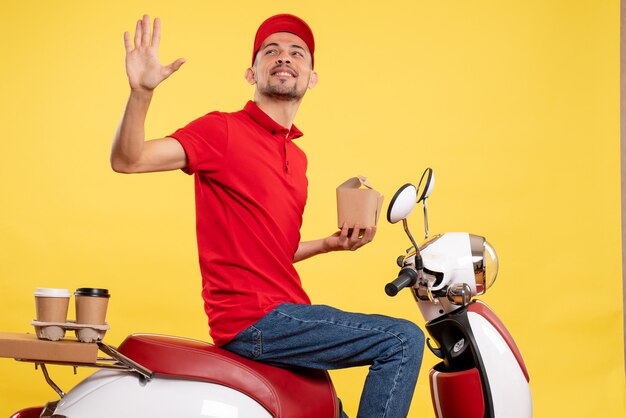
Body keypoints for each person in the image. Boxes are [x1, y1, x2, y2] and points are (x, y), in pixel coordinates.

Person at [111, 13, 424, 418]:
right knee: (401, 340)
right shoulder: (221, 131)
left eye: (297, 53)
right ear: (250, 72)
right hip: (256, 321)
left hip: (287, 317)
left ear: (311, 78)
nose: (284, 58)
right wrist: (141, 93)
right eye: (271, 51)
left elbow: (271, 251)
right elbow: (128, 160)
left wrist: (328, 244)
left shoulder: (298, 157)